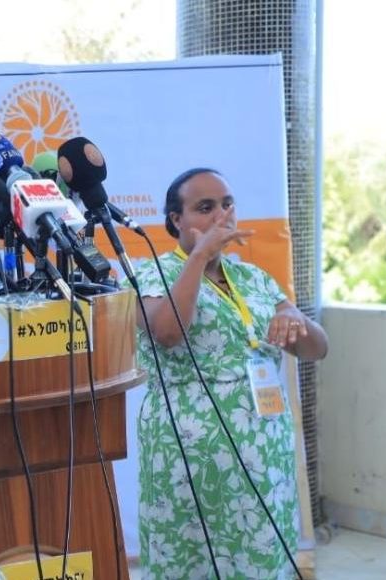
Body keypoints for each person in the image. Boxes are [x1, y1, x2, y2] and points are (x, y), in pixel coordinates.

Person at [132, 168, 328, 578]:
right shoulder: (151, 273)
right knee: (192, 554)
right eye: (205, 208)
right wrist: (199, 257)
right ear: (176, 220)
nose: (222, 216)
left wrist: (296, 319)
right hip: (190, 451)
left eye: (227, 204)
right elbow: (167, 332)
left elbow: (316, 349)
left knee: (259, 551)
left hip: (263, 445)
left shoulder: (253, 278)